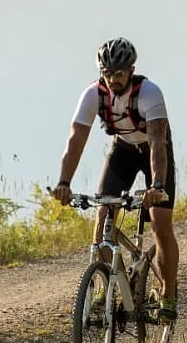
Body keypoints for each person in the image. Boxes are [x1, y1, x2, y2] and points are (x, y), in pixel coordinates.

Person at [52, 37, 179, 322]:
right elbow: (76, 140)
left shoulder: (149, 94)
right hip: (122, 150)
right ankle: (105, 288)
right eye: (107, 74)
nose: (112, 79)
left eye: (118, 73)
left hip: (152, 152)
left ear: (131, 70)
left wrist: (157, 186)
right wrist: (64, 183)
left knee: (160, 225)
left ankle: (168, 294)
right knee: (102, 220)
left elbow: (158, 143)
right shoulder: (93, 95)